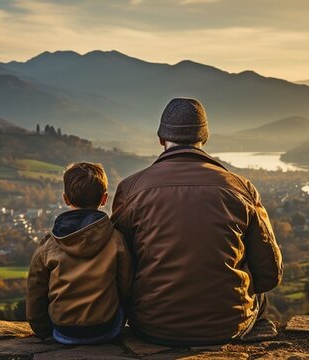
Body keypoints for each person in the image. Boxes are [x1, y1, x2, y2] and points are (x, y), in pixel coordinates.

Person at [112, 98, 283, 346]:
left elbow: (118, 267)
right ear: (204, 139)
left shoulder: (131, 189)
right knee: (260, 299)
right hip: (227, 325)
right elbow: (269, 275)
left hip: (153, 324)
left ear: (161, 139)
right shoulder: (240, 189)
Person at [27, 162, 132, 344]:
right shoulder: (116, 240)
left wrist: (44, 332)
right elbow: (126, 286)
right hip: (107, 329)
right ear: (104, 199)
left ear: (66, 199)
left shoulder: (49, 244)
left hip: (63, 331)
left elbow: (35, 292)